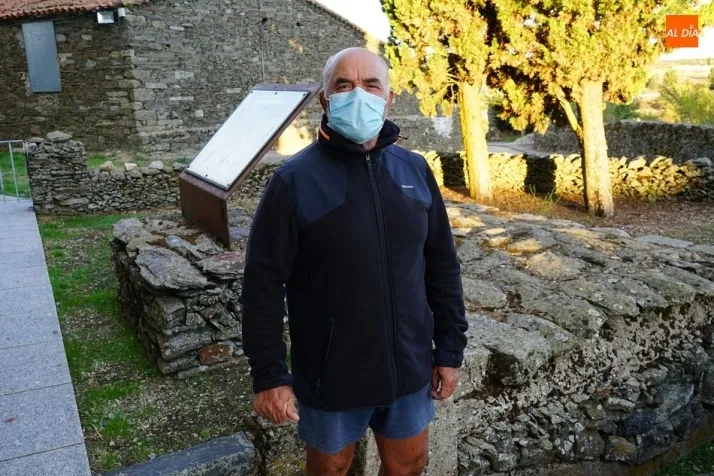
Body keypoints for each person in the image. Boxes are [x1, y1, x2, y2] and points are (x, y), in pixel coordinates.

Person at [241, 47, 468, 476]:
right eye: (343, 85)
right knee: (331, 469)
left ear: (389, 97)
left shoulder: (414, 170)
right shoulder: (293, 182)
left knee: (409, 464)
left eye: (371, 84)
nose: (358, 94)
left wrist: (450, 349)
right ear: (325, 100)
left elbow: (441, 265)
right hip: (331, 372)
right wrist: (269, 375)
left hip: (409, 365)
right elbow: (262, 285)